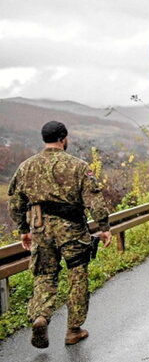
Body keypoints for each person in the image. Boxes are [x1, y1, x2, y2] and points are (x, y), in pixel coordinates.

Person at [7, 121, 112, 348]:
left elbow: (15, 203)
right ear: (63, 138)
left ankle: (41, 317)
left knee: (44, 274)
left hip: (41, 229)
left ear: (44, 139)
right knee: (77, 276)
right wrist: (104, 228)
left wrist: (24, 230)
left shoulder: (26, 167)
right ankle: (73, 330)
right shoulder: (78, 166)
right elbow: (95, 201)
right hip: (72, 231)